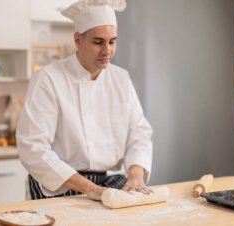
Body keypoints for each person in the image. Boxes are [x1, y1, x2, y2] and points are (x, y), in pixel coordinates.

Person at [16, 0, 153, 200]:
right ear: (78, 40)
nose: (107, 51)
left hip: (108, 184)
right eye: (98, 42)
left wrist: (135, 173)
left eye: (112, 41)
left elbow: (139, 132)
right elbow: (33, 149)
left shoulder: (120, 78)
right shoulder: (48, 78)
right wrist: (91, 189)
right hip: (58, 187)